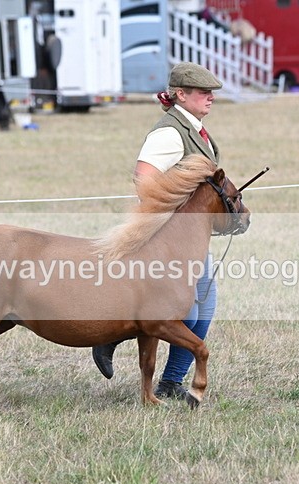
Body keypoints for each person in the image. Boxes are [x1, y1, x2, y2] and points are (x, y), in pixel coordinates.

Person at [92, 62, 223, 400]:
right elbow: (144, 179)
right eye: (203, 92)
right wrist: (177, 217)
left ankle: (170, 382)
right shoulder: (168, 132)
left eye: (211, 92)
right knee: (186, 311)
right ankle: (111, 336)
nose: (211, 97)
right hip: (171, 242)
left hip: (191, 242)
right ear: (181, 95)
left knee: (203, 308)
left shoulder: (194, 129)